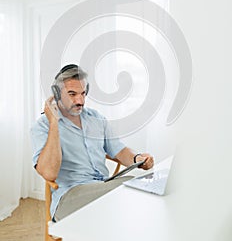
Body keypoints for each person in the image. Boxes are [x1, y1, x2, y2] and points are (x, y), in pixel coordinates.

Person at [31, 64, 154, 221]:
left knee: (143, 183)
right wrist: (54, 123)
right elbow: (49, 173)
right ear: (56, 94)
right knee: (129, 187)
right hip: (70, 196)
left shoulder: (96, 118)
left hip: (103, 187)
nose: (80, 100)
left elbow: (120, 151)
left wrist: (138, 159)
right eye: (72, 94)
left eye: (83, 94)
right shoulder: (42, 126)